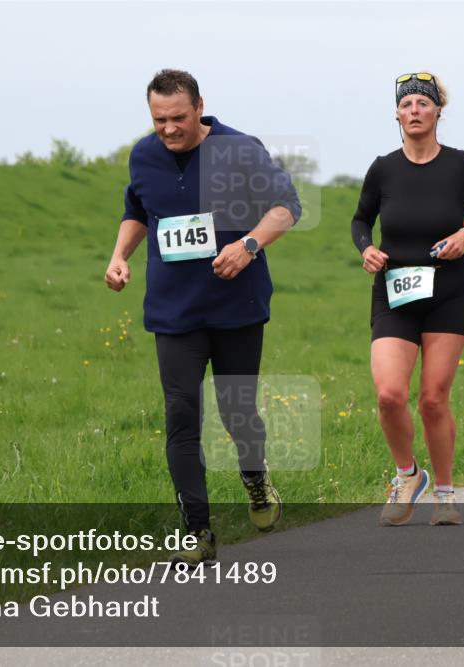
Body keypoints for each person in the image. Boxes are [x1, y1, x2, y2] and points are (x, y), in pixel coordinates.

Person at [105, 69, 301, 565]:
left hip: (237, 308)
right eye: (158, 120)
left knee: (237, 413)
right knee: (181, 415)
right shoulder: (144, 154)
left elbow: (286, 207)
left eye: (177, 118)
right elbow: (138, 211)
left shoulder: (240, 150)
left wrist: (249, 244)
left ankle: (255, 480)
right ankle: (198, 533)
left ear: (199, 108)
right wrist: (120, 255)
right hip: (174, 311)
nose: (168, 129)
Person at [350, 72, 464, 527]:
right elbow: (361, 220)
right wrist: (367, 249)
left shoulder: (461, 165)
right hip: (394, 293)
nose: (414, 110)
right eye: (407, 104)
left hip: (448, 294)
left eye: (423, 103)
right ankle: (406, 475)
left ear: (438, 112)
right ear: (397, 115)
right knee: (389, 394)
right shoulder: (383, 168)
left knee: (433, 399)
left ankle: (445, 493)